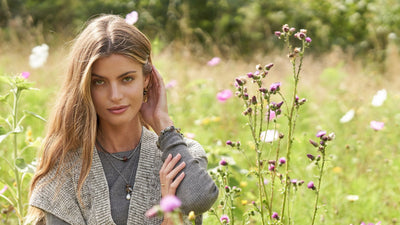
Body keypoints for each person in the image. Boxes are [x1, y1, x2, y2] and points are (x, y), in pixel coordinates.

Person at [27, 14, 219, 225]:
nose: (115, 95)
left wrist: (163, 123)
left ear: (147, 79)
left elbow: (199, 199)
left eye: (127, 79)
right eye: (100, 82)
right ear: (84, 87)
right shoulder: (66, 166)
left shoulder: (182, 154)